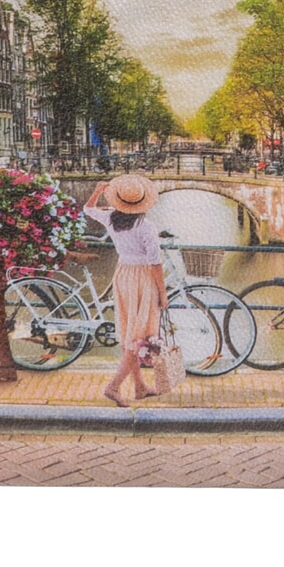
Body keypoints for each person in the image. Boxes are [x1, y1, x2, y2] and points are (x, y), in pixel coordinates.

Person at [82, 174, 169, 406]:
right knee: (140, 336)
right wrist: (163, 293)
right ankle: (113, 387)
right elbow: (155, 263)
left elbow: (88, 209)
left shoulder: (111, 218)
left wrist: (97, 190)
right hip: (142, 279)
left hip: (123, 275)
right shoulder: (146, 227)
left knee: (130, 334)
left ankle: (140, 387)